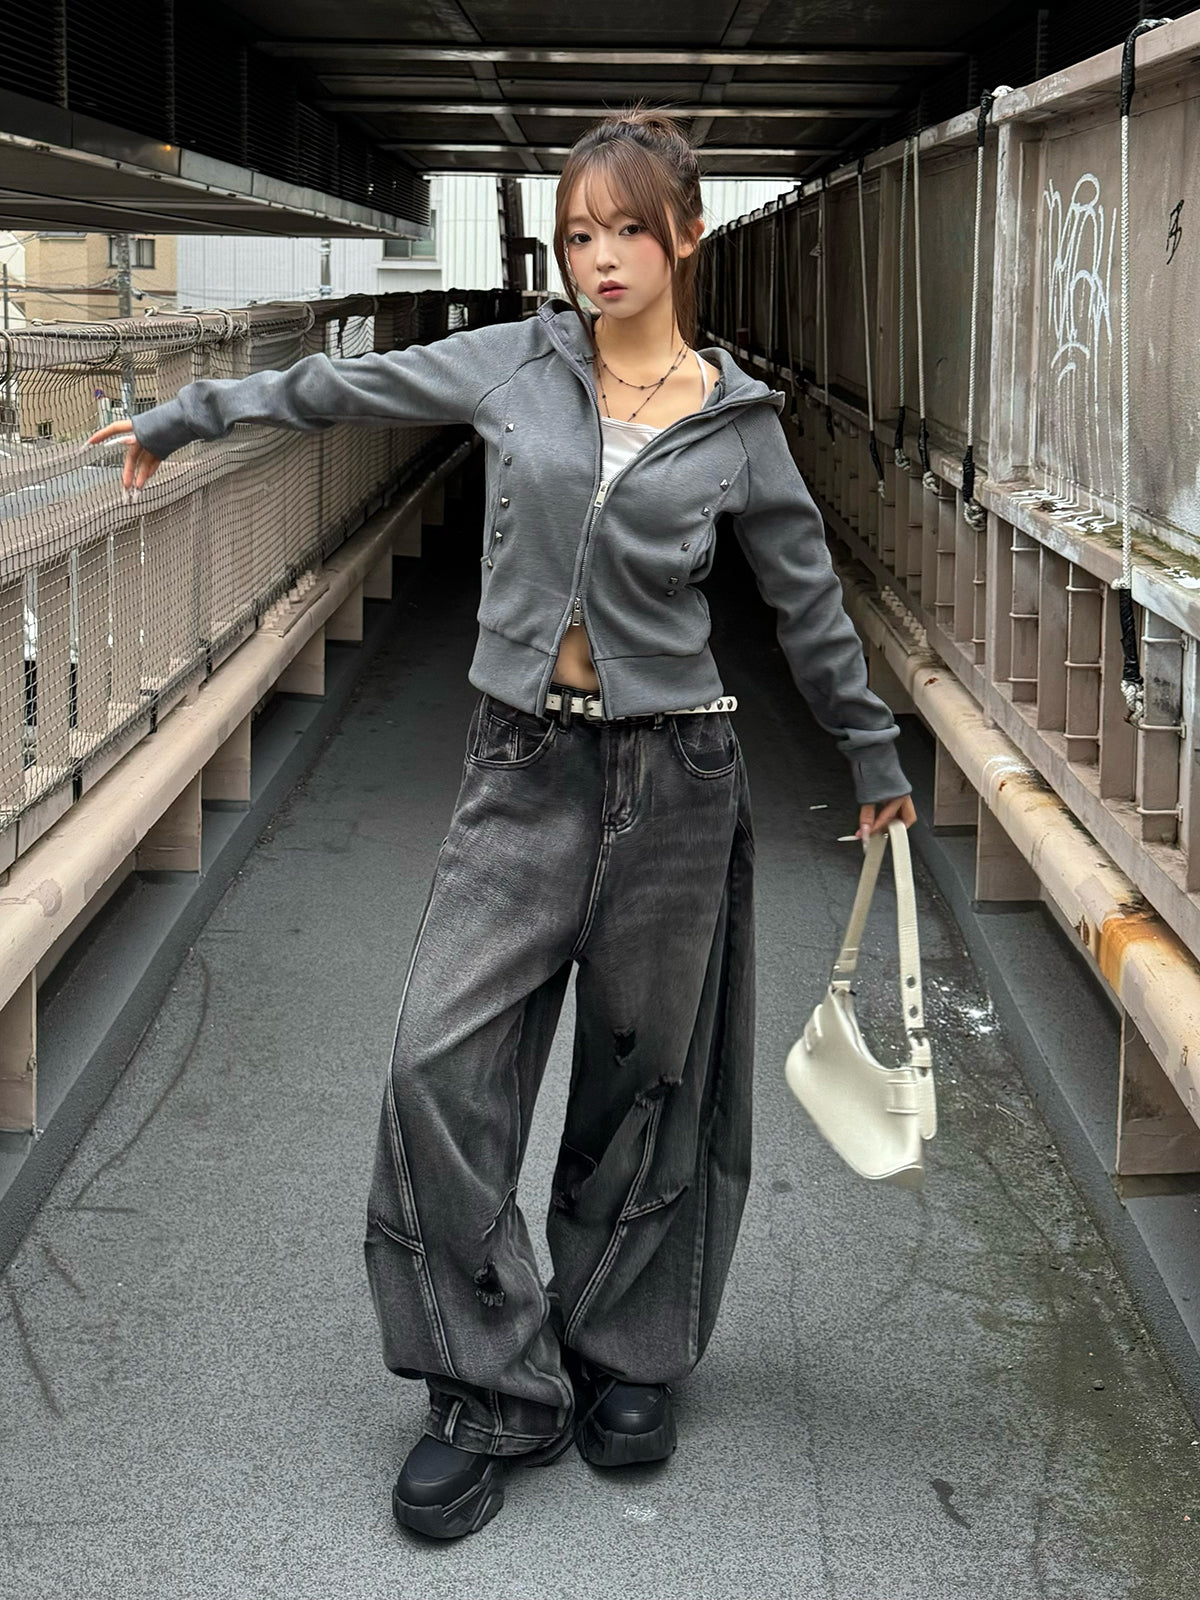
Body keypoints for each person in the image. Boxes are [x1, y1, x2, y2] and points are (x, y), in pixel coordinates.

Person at [88, 105, 917, 1541]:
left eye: (629, 230)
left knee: (646, 1080)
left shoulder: (740, 424)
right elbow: (345, 388)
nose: (601, 258)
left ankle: (623, 1353)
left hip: (678, 776)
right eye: (579, 235)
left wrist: (870, 753)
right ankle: (490, 1386)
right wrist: (184, 414)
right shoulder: (516, 366)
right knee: (438, 1062)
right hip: (521, 766)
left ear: (687, 238)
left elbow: (807, 603)